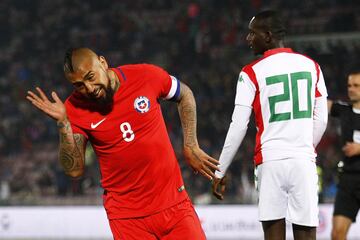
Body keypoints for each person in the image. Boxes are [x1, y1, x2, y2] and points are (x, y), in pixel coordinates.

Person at [26, 47, 219, 239]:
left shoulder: (145, 76)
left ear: (103, 62)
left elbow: (184, 94)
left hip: (174, 205)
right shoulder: (74, 108)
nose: (89, 88)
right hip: (127, 218)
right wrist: (63, 124)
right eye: (79, 85)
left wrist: (191, 144)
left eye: (91, 77)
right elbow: (74, 170)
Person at [211, 10, 328, 240]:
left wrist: (219, 171)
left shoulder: (251, 72)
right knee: (307, 235)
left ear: (267, 35)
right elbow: (321, 119)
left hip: (270, 161)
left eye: (251, 33)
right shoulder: (312, 66)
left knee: (273, 235)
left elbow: (238, 126)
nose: (247, 39)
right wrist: (302, 147)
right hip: (303, 161)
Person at [328, 72, 360, 240]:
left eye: (356, 86)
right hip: (348, 179)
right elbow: (320, 104)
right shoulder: (344, 110)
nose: (351, 89)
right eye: (349, 86)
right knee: (337, 233)